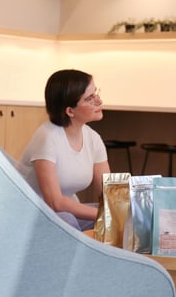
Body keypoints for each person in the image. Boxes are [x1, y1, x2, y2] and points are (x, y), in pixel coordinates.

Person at [17, 69, 109, 231]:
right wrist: (105, 215)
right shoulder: (47, 138)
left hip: (64, 214)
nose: (98, 101)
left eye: (95, 93)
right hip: (32, 212)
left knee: (118, 216)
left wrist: (122, 212)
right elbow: (55, 202)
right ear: (70, 111)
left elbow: (109, 193)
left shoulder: (93, 138)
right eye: (89, 99)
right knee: (70, 221)